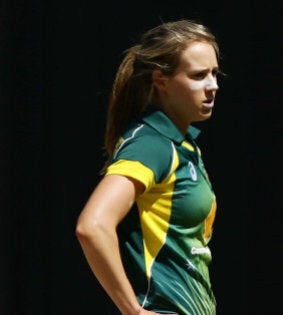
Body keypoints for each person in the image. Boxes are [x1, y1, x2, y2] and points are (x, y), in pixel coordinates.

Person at [75, 19, 223, 315]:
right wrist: (133, 310)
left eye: (214, 73)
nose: (213, 85)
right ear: (161, 80)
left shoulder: (184, 145)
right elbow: (92, 226)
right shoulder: (152, 145)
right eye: (198, 75)